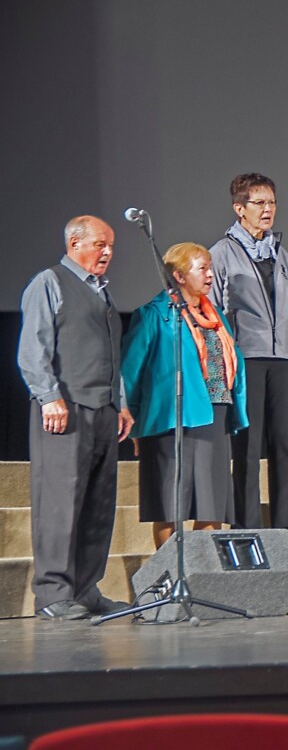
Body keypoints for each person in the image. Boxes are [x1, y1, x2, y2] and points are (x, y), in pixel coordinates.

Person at [18, 216, 135, 620]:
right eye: (100, 244)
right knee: (60, 503)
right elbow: (33, 348)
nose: (108, 252)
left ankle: (85, 589)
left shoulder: (101, 291)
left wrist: (120, 403)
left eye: (111, 246)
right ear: (74, 244)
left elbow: (111, 356)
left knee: (98, 503)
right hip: (65, 409)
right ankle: (53, 594)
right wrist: (49, 396)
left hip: (102, 410)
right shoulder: (49, 283)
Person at [122, 243, 249, 549]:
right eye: (202, 268)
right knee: (169, 505)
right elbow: (130, 373)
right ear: (179, 276)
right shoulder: (154, 315)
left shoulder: (215, 315)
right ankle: (169, 573)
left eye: (210, 268)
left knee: (211, 504)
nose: (210, 275)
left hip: (214, 415)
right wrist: (134, 424)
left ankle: (202, 572)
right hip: (170, 420)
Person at [210, 173, 288, 549]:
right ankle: (247, 525)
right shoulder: (222, 253)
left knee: (284, 443)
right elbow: (213, 311)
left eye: (272, 202)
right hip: (246, 356)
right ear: (240, 208)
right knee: (247, 445)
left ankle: (286, 526)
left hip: (285, 356)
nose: (268, 210)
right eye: (259, 203)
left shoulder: (281, 254)